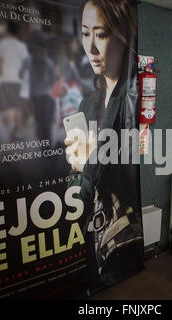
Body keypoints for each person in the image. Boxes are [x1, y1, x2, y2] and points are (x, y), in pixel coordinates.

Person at [64, 0, 144, 293]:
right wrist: (77, 161)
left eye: (101, 33)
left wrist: (90, 159)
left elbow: (132, 167)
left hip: (120, 232)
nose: (91, 48)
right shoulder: (88, 101)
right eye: (86, 34)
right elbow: (84, 176)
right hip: (92, 225)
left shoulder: (132, 98)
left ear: (122, 36)